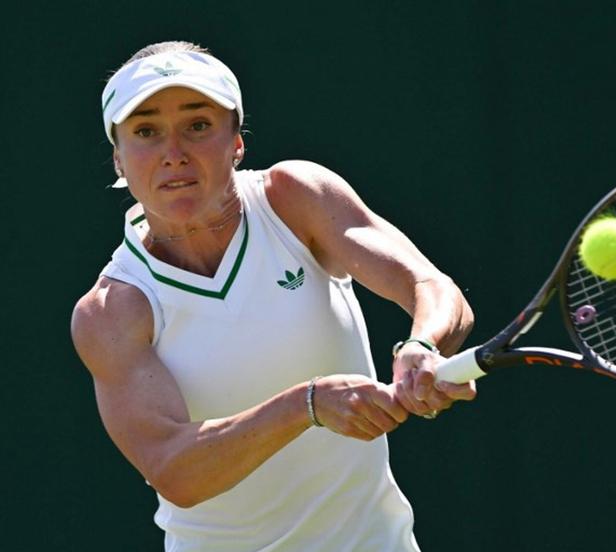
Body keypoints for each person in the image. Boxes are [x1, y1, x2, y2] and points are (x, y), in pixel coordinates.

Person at [71, 41, 476, 551]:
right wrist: (308, 405)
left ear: (236, 143)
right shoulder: (111, 312)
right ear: (119, 159)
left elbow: (431, 288)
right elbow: (176, 471)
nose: (174, 153)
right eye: (146, 132)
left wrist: (424, 345)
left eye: (198, 125)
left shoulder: (294, 199)